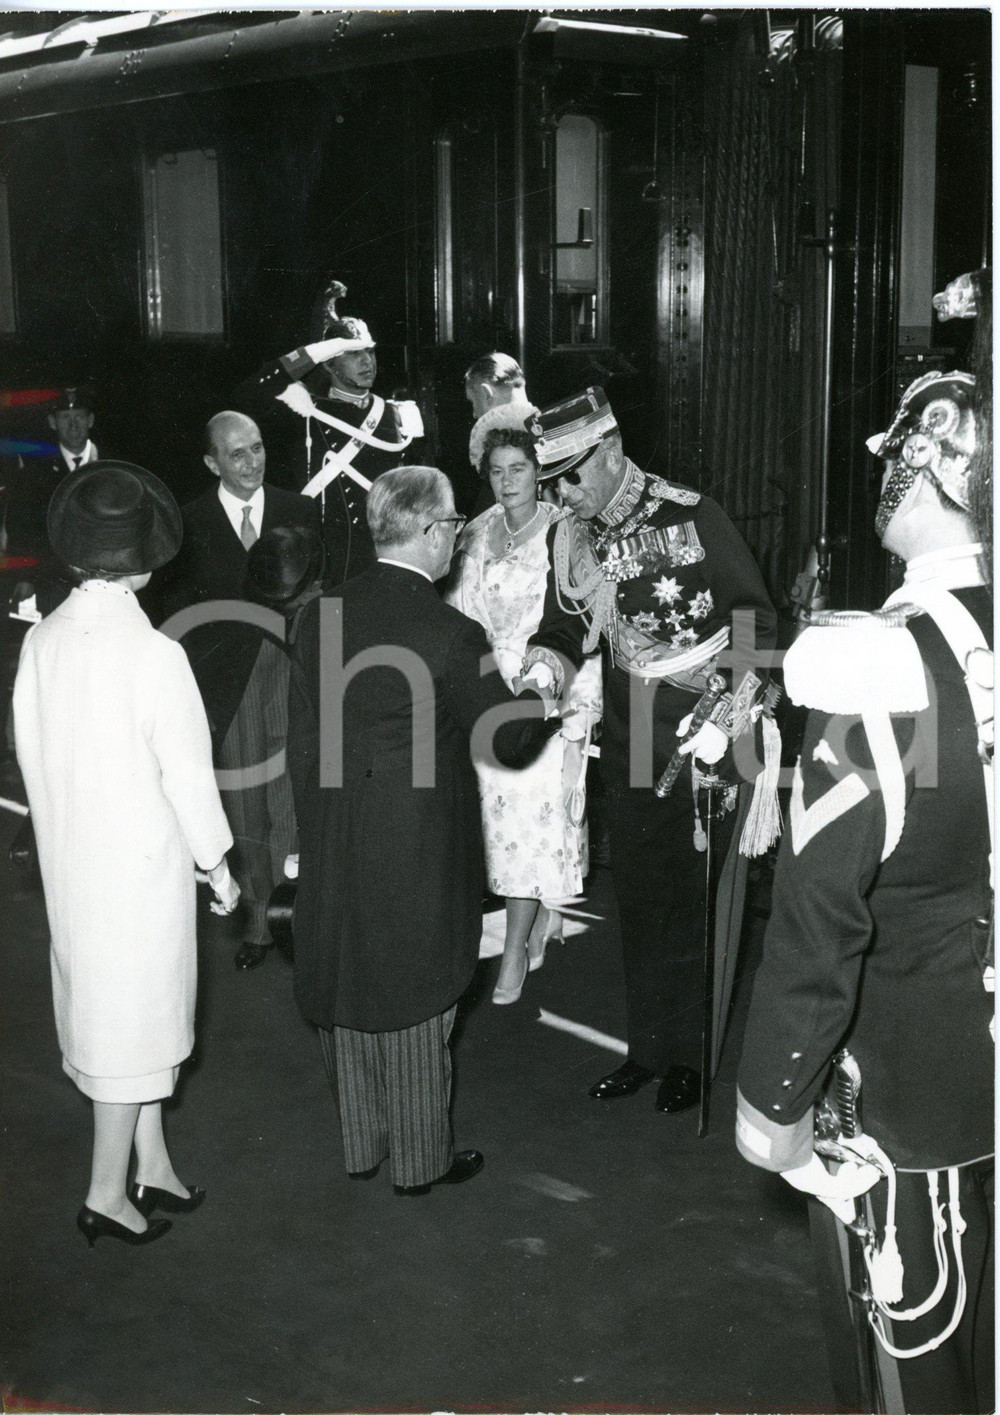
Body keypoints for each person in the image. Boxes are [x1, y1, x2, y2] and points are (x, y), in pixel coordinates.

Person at [736, 368, 994, 1415]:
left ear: (934, 459)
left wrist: (775, 1115)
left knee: (918, 1366)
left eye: (897, 451)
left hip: (917, 1096)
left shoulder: (875, 663)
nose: (882, 472)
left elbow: (816, 917)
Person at [287, 465, 556, 1194]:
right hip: (415, 840)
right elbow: (508, 739)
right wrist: (544, 684)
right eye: (453, 531)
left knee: (348, 975)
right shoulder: (448, 629)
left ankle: (362, 1145)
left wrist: (305, 835)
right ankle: (418, 1162)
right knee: (415, 988)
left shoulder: (318, 613)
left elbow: (304, 740)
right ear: (434, 533)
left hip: (335, 828)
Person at [522, 387, 779, 1113]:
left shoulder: (692, 515)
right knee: (640, 893)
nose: (562, 495)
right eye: (553, 483)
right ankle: (647, 1047)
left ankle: (691, 1056)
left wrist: (728, 709)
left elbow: (756, 617)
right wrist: (545, 668)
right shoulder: (571, 533)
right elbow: (565, 621)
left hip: (706, 726)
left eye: (570, 477)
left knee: (693, 900)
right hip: (632, 731)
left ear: (608, 453)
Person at [13, 461, 239, 1246]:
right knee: (135, 1027)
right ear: (143, 561)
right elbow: (188, 777)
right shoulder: (154, 657)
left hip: (74, 865)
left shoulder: (43, 640)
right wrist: (218, 864)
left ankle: (154, 1163)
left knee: (122, 1019)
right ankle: (106, 1191)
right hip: (142, 870)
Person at [445, 412, 601, 1003]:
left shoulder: (565, 533)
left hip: (542, 690)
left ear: (539, 473)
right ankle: (533, 920)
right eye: (496, 471)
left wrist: (575, 710)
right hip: (484, 683)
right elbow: (460, 615)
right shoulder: (477, 530)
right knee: (489, 823)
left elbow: (581, 627)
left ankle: (513, 948)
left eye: (518, 470)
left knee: (527, 828)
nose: (507, 481)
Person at [156, 411, 320, 971]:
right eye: (236, 455)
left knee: (294, 798)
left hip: (294, 669)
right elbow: (179, 615)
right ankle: (257, 922)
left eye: (256, 449)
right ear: (212, 463)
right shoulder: (190, 523)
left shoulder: (300, 509)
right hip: (231, 685)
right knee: (246, 807)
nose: (251, 463)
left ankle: (294, 914)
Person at [234, 279, 422, 585]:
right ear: (329, 364)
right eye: (352, 354)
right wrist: (313, 352)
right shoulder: (305, 412)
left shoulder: (398, 415)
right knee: (331, 633)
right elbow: (248, 395)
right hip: (328, 568)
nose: (366, 362)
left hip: (387, 562)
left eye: (370, 352)